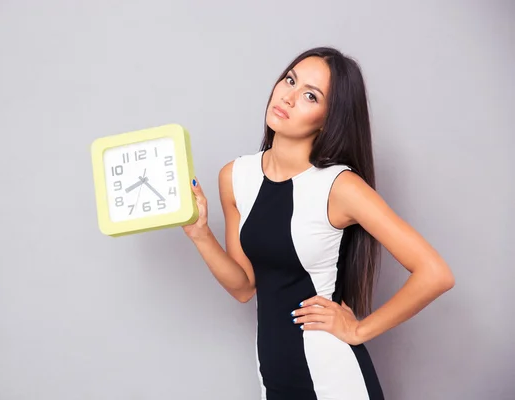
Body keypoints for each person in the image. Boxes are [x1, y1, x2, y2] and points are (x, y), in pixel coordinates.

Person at [182, 46, 455, 400]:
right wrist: (200, 233)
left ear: (329, 118)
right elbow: (245, 286)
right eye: (290, 80)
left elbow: (435, 273)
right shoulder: (234, 177)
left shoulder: (340, 187)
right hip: (275, 380)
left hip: (334, 380)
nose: (289, 97)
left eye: (310, 96)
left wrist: (359, 330)